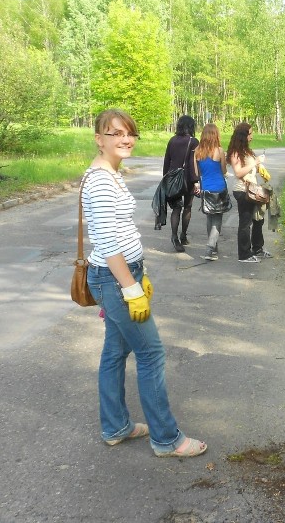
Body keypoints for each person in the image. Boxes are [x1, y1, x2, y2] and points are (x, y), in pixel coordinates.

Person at [82, 108, 207, 457]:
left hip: (121, 276)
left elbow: (119, 234)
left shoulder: (109, 173)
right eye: (115, 133)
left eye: (130, 133)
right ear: (98, 138)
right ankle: (167, 439)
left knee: (114, 351)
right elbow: (107, 244)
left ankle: (115, 426)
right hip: (115, 278)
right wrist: (130, 286)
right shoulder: (102, 180)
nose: (125, 139)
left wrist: (139, 273)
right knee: (151, 353)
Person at [227, 122, 270, 263]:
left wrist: (260, 168)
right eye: (250, 133)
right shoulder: (235, 152)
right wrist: (255, 162)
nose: (252, 136)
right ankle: (244, 254)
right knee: (245, 223)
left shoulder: (247, 151)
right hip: (242, 191)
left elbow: (251, 168)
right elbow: (239, 172)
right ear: (243, 136)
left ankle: (257, 248)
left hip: (254, 189)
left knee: (258, 219)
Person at [163, 115, 199, 252]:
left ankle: (174, 236)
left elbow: (167, 161)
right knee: (187, 208)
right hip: (188, 180)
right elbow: (193, 163)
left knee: (176, 209)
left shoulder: (172, 140)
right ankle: (183, 235)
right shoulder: (194, 141)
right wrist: (196, 181)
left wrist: (165, 179)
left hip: (172, 179)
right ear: (191, 126)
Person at [193, 123, 228, 262]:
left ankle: (213, 249)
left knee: (209, 218)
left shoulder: (197, 151)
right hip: (219, 188)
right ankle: (209, 249)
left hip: (205, 188)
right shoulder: (219, 151)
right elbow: (224, 170)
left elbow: (197, 173)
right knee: (217, 219)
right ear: (216, 135)